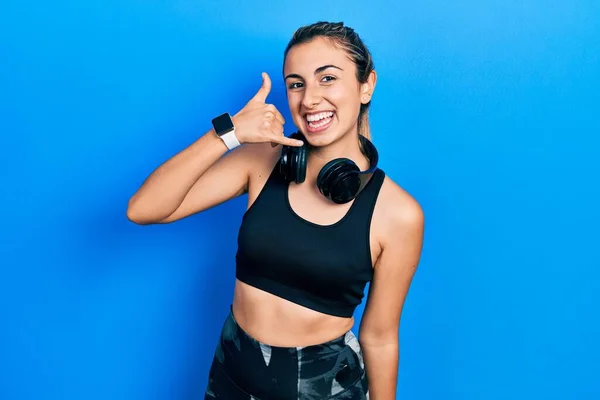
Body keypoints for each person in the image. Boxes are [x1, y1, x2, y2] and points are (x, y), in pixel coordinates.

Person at [127, 21, 424, 400]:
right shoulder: (262, 162)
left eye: (327, 78)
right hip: (232, 372)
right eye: (296, 84)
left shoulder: (398, 213)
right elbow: (144, 209)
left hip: (324, 386)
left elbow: (380, 337)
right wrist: (229, 132)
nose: (310, 99)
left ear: (366, 86)